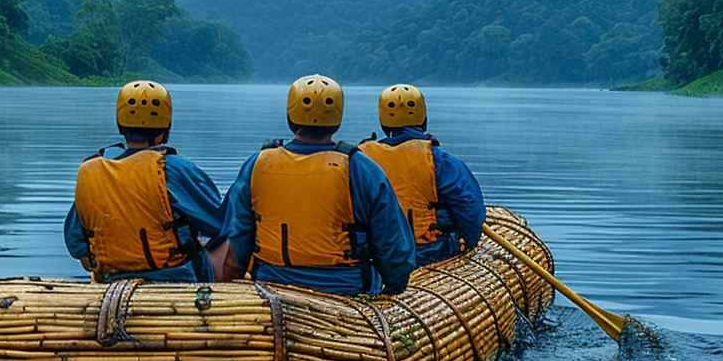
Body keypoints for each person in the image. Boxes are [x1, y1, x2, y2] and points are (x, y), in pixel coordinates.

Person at [223, 74, 416, 295]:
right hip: (345, 289)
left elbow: (238, 236)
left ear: (291, 115)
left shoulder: (257, 164)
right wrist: (395, 285)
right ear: (337, 117)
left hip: (270, 285)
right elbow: (391, 241)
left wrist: (232, 279)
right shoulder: (360, 167)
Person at [65, 80, 226, 282]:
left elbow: (75, 242)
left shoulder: (94, 171)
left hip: (112, 278)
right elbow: (221, 224)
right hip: (176, 277)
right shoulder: (175, 169)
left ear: (120, 124)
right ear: (165, 127)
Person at [358, 84, 486, 266]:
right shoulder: (440, 159)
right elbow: (470, 210)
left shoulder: (360, 159)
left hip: (374, 252)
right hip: (428, 251)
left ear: (383, 121)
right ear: (423, 117)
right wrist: (469, 243)